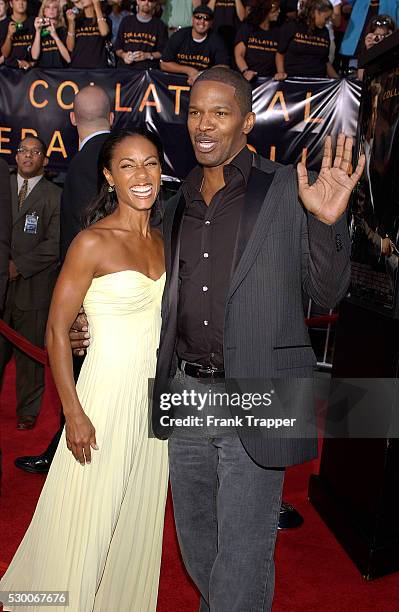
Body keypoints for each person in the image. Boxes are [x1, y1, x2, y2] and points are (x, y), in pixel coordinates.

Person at [71, 67, 365, 610]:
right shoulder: (174, 202)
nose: (204, 124)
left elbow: (327, 292)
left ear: (248, 121)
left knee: (243, 554)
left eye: (220, 112)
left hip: (260, 392)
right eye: (196, 112)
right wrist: (86, 317)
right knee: (198, 545)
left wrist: (327, 223)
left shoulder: (285, 188)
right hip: (187, 393)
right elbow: (145, 280)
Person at [0, 128, 169, 612]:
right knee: (86, 513)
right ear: (109, 176)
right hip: (104, 396)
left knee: (134, 515)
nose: (142, 175)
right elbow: (56, 331)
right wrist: (73, 413)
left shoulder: (163, 241)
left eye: (151, 163)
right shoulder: (91, 242)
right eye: (129, 165)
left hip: (152, 405)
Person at [14, 85, 113, 473]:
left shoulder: (83, 162)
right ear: (112, 117)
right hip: (120, 288)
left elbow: (77, 237)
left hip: (90, 294)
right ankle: (63, 446)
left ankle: (66, 453)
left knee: (81, 374)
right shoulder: (121, 155)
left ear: (72, 120)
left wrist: (74, 304)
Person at [0, 137, 61, 431]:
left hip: (33, 288)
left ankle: (28, 410)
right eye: (23, 150)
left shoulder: (54, 195)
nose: (27, 155)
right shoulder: (4, 186)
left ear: (44, 160)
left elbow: (54, 244)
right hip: (2, 285)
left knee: (29, 355)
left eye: (35, 151)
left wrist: (18, 267)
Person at [161, 4, 229, 84]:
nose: (202, 22)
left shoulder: (216, 40)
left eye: (206, 19)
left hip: (204, 82)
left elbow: (224, 67)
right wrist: (188, 70)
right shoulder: (179, 35)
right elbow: (164, 64)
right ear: (192, 19)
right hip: (177, 82)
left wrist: (200, 74)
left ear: (211, 23)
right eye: (198, 17)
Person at [275, 0, 340, 79]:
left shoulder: (325, 32)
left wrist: (337, 79)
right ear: (315, 13)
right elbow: (280, 53)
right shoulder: (293, 26)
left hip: (318, 81)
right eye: (326, 18)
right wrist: (281, 72)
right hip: (293, 80)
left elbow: (325, 61)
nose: (327, 22)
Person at [114, 0, 168, 70]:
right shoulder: (126, 21)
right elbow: (118, 48)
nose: (146, 2)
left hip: (148, 72)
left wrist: (147, 55)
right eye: (143, 0)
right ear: (137, 1)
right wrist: (124, 55)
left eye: (150, 0)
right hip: (125, 70)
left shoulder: (160, 25)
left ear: (154, 3)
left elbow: (163, 52)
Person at [234, 0, 281, 80]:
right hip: (248, 77)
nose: (279, 11)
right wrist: (245, 71)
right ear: (266, 12)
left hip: (269, 81)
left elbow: (280, 55)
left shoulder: (278, 32)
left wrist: (280, 72)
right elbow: (239, 54)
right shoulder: (248, 28)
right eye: (275, 10)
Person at [66, 0, 110, 69]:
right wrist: (71, 23)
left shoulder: (104, 19)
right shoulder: (76, 19)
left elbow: (104, 32)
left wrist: (97, 6)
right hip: (77, 67)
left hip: (98, 68)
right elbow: (70, 48)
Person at [31, 0, 71, 67]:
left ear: (58, 12)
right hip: (43, 72)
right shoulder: (38, 30)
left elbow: (68, 59)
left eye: (54, 7)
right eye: (48, 7)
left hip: (62, 71)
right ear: (44, 11)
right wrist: (38, 32)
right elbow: (34, 57)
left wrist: (55, 36)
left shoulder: (63, 30)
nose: (51, 9)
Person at [0, 0, 35, 70]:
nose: (21, 3)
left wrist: (32, 63)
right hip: (9, 70)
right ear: (11, 4)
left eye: (24, 0)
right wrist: (9, 35)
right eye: (17, 0)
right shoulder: (3, 25)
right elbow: (5, 54)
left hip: (33, 70)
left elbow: (42, 52)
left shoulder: (34, 22)